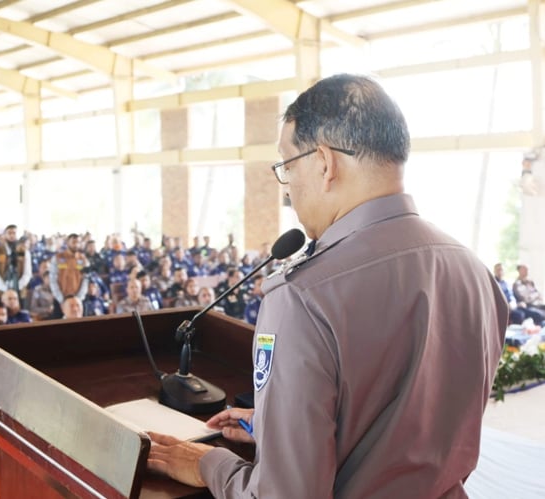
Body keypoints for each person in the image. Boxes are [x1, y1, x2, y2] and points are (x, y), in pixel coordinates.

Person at [146, 74, 508, 498]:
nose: (288, 192)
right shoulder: (475, 272)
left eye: (287, 166)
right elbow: (409, 428)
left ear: (323, 163)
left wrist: (208, 463)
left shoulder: (303, 296)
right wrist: (275, 428)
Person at [0, 224, 32, 297]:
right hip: (2, 290)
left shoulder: (24, 251)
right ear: (4, 235)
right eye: (9, 233)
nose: (12, 235)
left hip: (19, 289)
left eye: (14, 233)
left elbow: (27, 273)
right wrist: (4, 288)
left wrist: (18, 287)